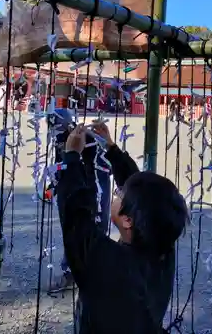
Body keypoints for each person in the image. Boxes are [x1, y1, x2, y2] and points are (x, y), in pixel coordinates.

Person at [57, 121, 188, 334]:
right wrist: (111, 148)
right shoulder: (164, 246)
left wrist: (71, 158)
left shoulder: (107, 262)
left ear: (128, 220)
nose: (116, 193)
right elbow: (143, 192)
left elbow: (76, 217)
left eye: (119, 194)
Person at [50, 109, 112, 293]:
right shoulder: (62, 138)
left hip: (93, 188)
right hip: (73, 186)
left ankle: (79, 272)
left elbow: (105, 163)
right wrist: (56, 181)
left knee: (91, 227)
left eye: (59, 128)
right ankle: (75, 269)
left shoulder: (86, 138)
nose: (56, 134)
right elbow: (60, 160)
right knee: (72, 227)